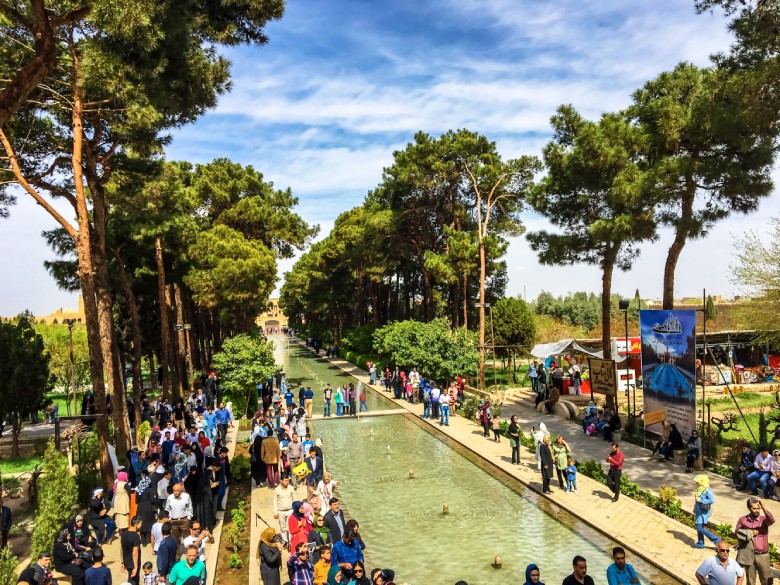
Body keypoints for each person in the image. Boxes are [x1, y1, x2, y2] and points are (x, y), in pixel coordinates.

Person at [735, 497, 775, 585]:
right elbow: (737, 532)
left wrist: (764, 507)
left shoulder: (763, 520)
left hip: (763, 556)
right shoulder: (743, 520)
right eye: (754, 508)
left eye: (758, 508)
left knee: (765, 580)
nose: (757, 510)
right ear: (749, 508)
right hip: (749, 555)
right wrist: (750, 532)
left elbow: (772, 520)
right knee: (750, 581)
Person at [694, 475, 721, 549]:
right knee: (699, 527)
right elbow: (696, 501)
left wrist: (701, 500)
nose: (696, 484)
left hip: (703, 512)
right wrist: (695, 508)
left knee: (699, 528)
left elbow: (711, 500)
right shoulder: (699, 489)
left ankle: (716, 540)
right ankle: (700, 543)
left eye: (698, 482)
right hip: (698, 511)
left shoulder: (707, 490)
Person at [120, 516, 142, 585]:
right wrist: (136, 567)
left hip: (126, 561)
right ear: (136, 524)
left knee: (130, 578)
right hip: (133, 563)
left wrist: (122, 562)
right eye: (140, 523)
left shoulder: (123, 534)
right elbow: (135, 553)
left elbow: (121, 549)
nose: (141, 525)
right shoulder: (136, 537)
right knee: (133, 581)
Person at [273, 475, 295, 545]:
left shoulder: (291, 488)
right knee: (283, 527)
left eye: (288, 480)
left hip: (290, 510)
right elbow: (275, 502)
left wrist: (296, 510)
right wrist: (275, 512)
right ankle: (284, 541)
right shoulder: (277, 490)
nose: (287, 482)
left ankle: (291, 542)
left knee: (290, 526)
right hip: (281, 511)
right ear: (281, 481)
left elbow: (295, 499)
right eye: (285, 481)